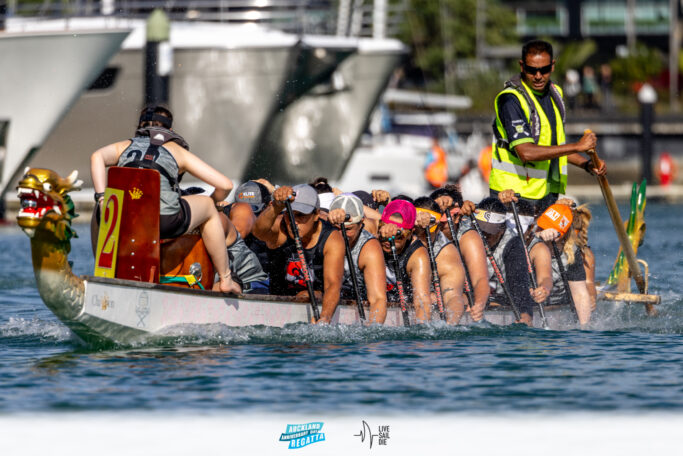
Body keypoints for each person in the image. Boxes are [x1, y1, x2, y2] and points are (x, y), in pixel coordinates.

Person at [90, 105, 241, 294]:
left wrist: (102, 198)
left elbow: (96, 157)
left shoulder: (124, 146)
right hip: (164, 222)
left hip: (123, 220)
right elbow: (225, 185)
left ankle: (104, 273)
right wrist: (208, 208)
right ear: (170, 130)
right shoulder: (176, 150)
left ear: (140, 127)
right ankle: (226, 279)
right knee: (209, 207)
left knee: (100, 208)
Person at [490, 39, 606, 215]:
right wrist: (577, 146)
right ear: (522, 66)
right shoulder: (510, 100)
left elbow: (553, 147)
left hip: (544, 195)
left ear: (552, 66)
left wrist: (586, 164)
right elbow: (526, 152)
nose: (538, 76)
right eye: (532, 70)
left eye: (543, 70)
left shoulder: (555, 94)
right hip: (511, 197)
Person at [252, 184, 345, 324]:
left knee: (305, 294)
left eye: (301, 215)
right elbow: (258, 232)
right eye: (290, 215)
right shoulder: (280, 229)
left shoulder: (332, 239)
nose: (294, 222)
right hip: (279, 299)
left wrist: (325, 317)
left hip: (319, 296)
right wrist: (276, 206)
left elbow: (332, 284)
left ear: (316, 215)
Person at [430, 185, 489, 322]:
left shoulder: (468, 236)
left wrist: (479, 304)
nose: (438, 224)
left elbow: (480, 279)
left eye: (443, 221)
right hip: (436, 292)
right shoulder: (425, 229)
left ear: (456, 218)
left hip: (464, 293)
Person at [473, 197, 537, 325]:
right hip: (472, 297)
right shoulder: (467, 233)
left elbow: (518, 284)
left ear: (501, 229)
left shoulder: (513, 243)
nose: (483, 236)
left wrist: (525, 313)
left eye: (489, 232)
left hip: (503, 298)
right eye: (481, 231)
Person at [327, 193, 388, 324]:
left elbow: (378, 299)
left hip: (359, 297)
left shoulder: (370, 248)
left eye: (348, 229)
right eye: (337, 228)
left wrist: (372, 332)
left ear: (361, 224)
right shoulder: (324, 228)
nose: (342, 234)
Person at [413, 196, 467, 324]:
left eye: (426, 233)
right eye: (418, 231)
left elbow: (453, 297)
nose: (421, 238)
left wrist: (450, 325)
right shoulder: (396, 232)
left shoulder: (446, 252)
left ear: (437, 228)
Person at [537, 203, 592, 325]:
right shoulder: (530, 241)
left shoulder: (572, 251)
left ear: (562, 233)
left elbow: (580, 294)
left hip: (560, 309)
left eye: (549, 228)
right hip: (533, 308)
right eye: (542, 226)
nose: (543, 230)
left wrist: (584, 328)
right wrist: (537, 238)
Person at [378, 200, 433, 323]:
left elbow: (422, 302)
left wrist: (421, 331)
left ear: (410, 233)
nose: (389, 240)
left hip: (407, 301)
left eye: (398, 236)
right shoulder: (372, 231)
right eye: (384, 233)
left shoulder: (418, 255)